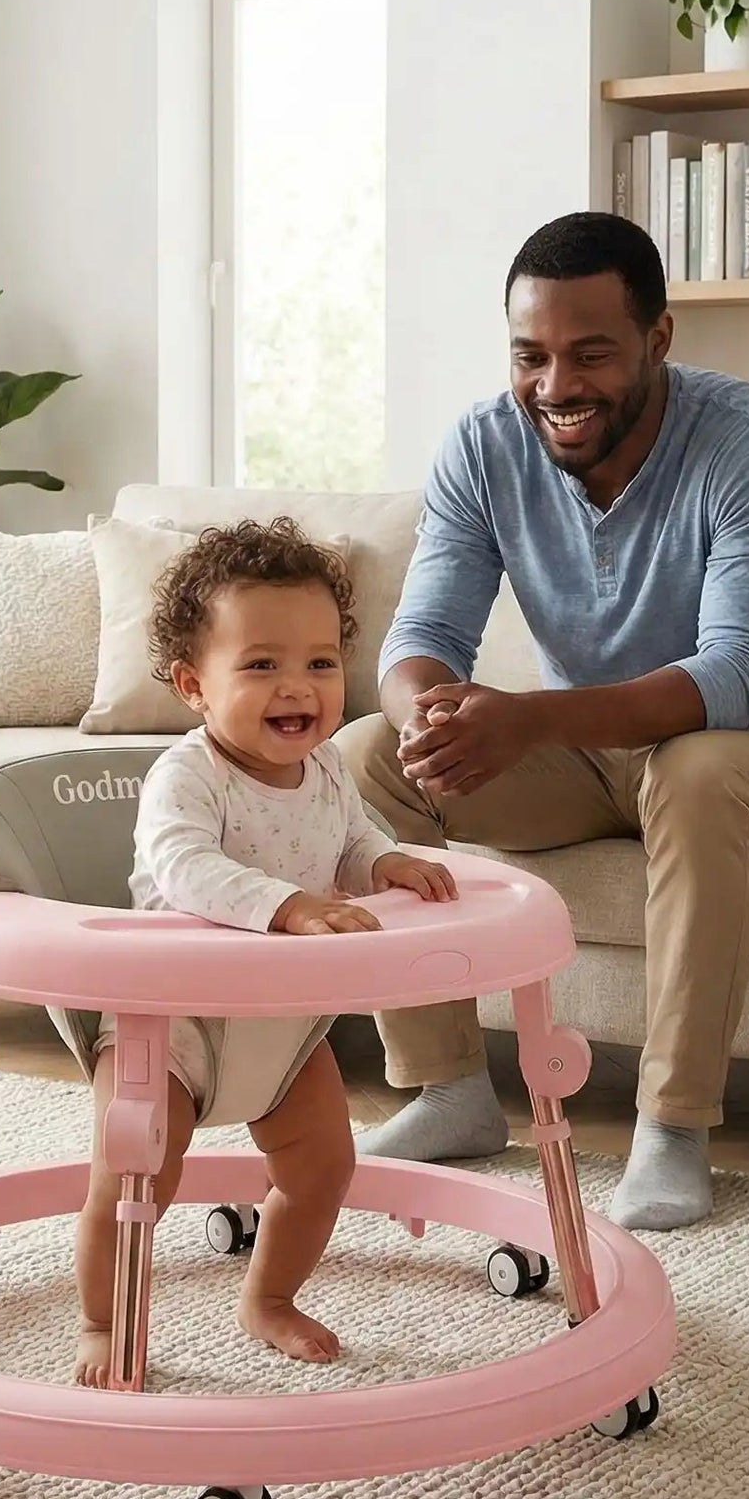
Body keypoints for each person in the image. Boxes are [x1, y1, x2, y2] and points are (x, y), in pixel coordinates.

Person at [335, 211, 749, 1232]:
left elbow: (743, 672)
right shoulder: (484, 445)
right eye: (530, 356)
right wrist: (429, 712)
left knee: (697, 771)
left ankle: (672, 1123)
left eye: (589, 354)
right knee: (367, 755)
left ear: (658, 338)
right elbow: (421, 632)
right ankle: (447, 1090)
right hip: (584, 756)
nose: (555, 387)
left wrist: (526, 720)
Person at [74, 520, 457, 1386]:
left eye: (320, 663)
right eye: (261, 665)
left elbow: (349, 841)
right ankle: (103, 1319)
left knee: (325, 1166)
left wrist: (385, 863)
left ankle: (270, 1296)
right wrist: (286, 905)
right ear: (192, 686)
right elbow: (186, 869)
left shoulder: (324, 769)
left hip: (282, 1030)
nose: (299, 687)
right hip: (168, 1026)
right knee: (133, 1176)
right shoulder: (189, 775)